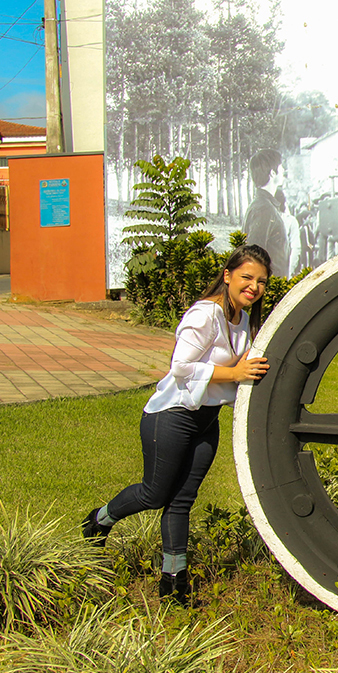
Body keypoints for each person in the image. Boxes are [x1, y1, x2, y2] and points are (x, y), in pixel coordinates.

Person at [81, 245, 272, 605]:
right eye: (247, 277)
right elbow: (181, 366)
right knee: (155, 494)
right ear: (228, 275)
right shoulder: (205, 315)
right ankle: (99, 520)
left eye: (261, 281)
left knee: (182, 500)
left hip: (206, 420)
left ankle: (174, 581)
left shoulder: (243, 320)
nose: (254, 286)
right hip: (172, 416)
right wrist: (234, 371)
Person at [243, 149, 290, 275]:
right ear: (273, 173)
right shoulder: (264, 209)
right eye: (281, 168)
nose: (284, 172)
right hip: (271, 289)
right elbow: (254, 257)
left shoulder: (265, 205)